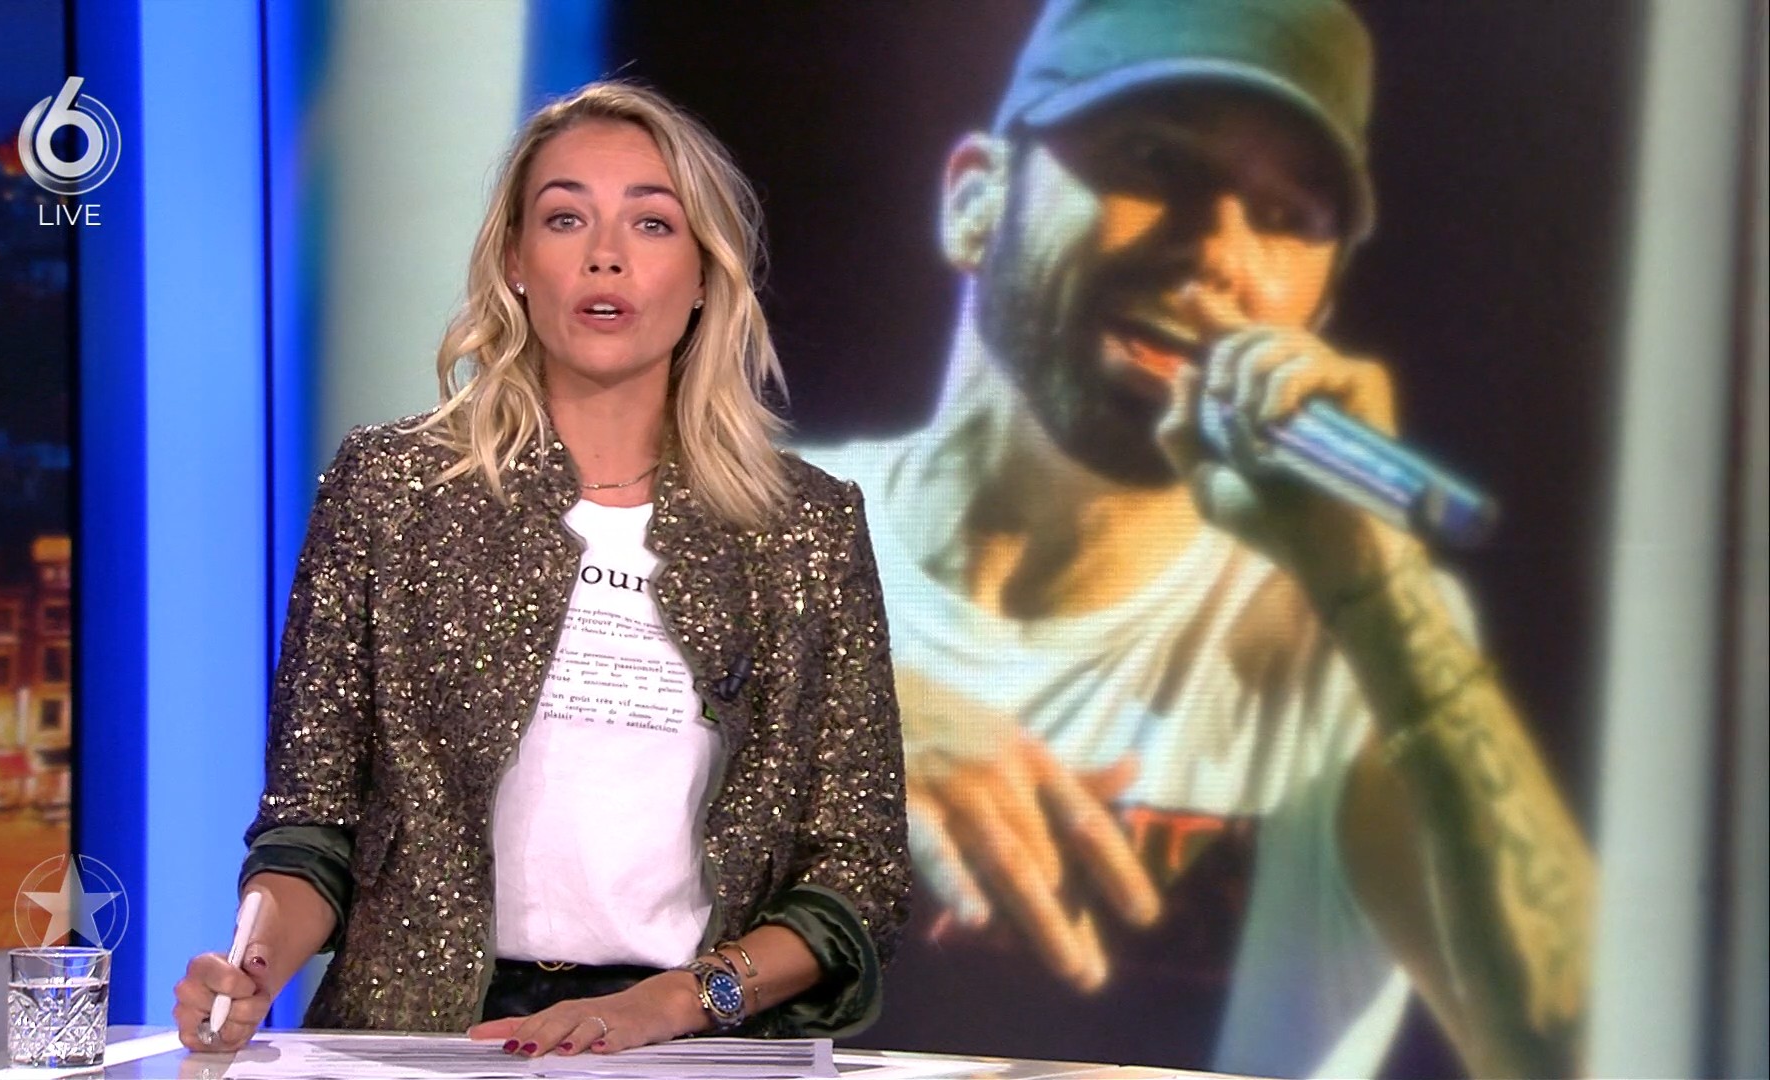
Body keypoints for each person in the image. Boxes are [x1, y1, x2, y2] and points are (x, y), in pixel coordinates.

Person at [801, 0, 1595, 1076]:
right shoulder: (741, 543)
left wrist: (1378, 589)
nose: (1216, 253)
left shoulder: (1355, 644)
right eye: (1153, 160)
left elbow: (1595, 1048)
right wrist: (839, 714)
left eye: (1285, 215)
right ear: (977, 200)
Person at [172, 82, 910, 1058]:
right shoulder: (392, 490)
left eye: (652, 222)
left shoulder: (805, 528)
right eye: (566, 218)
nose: (606, 255)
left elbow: (857, 870)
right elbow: (311, 821)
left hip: (685, 1042)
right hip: (419, 1042)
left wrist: (674, 1003)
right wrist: (255, 960)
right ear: (516, 261)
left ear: (704, 274)